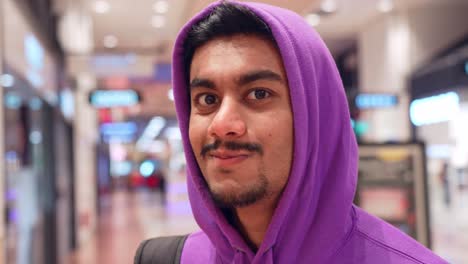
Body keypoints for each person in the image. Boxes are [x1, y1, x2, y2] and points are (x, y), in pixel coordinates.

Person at [170, 1, 448, 263]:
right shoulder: (177, 258)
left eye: (258, 94)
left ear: (315, 117)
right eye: (207, 99)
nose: (222, 124)